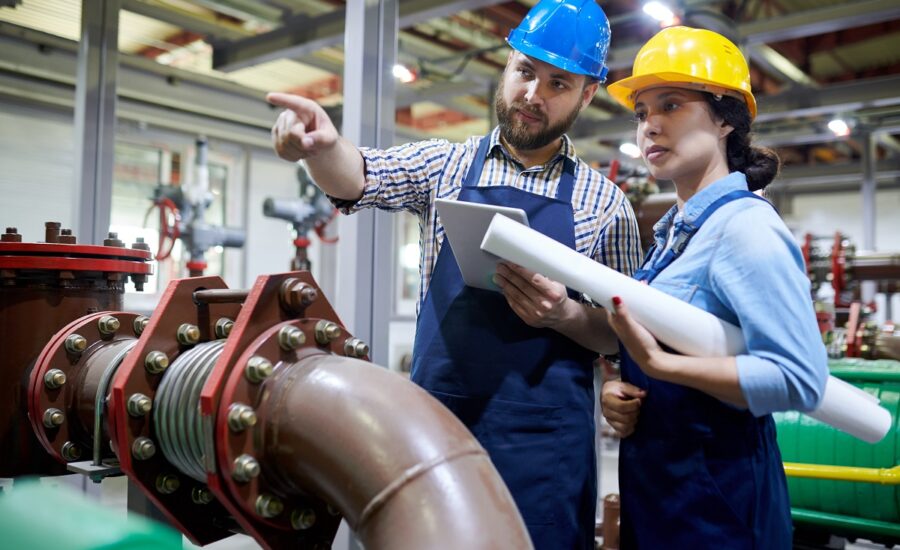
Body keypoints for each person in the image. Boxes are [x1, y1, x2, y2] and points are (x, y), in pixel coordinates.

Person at [267, 1, 641, 546]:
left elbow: (620, 331)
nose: (533, 94)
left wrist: (563, 315)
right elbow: (360, 176)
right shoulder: (446, 167)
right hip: (437, 431)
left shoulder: (606, 205)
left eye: (558, 82)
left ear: (587, 94)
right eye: (525, 71)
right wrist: (321, 148)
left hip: (545, 451)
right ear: (507, 66)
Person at [599, 26, 828, 549]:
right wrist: (627, 395)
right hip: (663, 499)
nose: (650, 125)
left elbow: (800, 378)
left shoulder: (743, 227)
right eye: (640, 112)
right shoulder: (676, 237)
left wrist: (663, 368)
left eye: (672, 104)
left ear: (726, 118)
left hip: (720, 509)